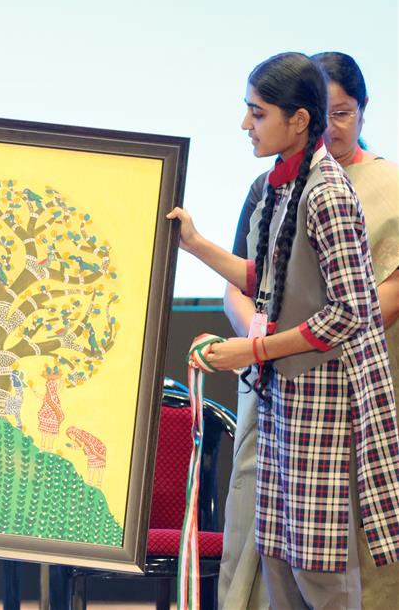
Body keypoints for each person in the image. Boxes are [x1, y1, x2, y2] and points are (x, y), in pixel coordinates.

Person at [167, 51, 399, 608]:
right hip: (282, 405)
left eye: (257, 112)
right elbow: (267, 279)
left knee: (321, 576)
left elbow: (351, 311)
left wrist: (253, 348)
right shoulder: (281, 184)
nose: (246, 125)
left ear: (298, 120)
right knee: (277, 562)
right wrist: (197, 245)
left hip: (323, 408)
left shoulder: (329, 192)